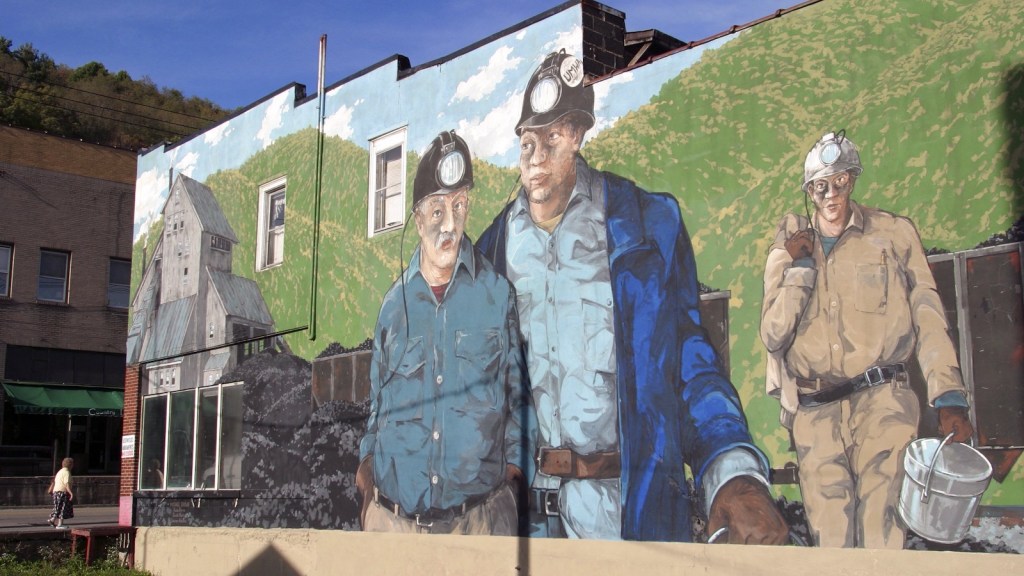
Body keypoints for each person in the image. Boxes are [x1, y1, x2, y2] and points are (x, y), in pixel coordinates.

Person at [476, 50, 789, 543]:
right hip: (527, 527)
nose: (535, 159)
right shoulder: (490, 253)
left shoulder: (646, 227)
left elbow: (689, 362)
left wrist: (734, 474)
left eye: (551, 140)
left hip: (629, 514)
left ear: (578, 136)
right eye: (527, 143)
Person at [760, 130, 974, 548]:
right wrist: (800, 268)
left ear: (853, 180)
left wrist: (948, 395)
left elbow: (928, 314)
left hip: (884, 404)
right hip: (814, 413)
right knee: (832, 546)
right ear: (809, 191)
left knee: (883, 540)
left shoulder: (893, 234)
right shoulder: (788, 248)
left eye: (840, 181)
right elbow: (772, 334)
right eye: (821, 186)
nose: (831, 194)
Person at [356, 130, 530, 535]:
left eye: (459, 205)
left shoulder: (497, 295)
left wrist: (513, 482)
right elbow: (377, 407)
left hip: (480, 523)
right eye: (437, 211)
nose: (450, 223)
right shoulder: (392, 307)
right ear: (417, 219)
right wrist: (365, 484)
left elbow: (519, 401)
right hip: (392, 526)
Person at [47, 457, 75, 529]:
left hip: (56, 492)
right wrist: (71, 493)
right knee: (63, 508)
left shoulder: (59, 472)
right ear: (71, 465)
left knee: (58, 507)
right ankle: (60, 524)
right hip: (63, 492)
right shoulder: (67, 472)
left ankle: (52, 520)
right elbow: (66, 484)